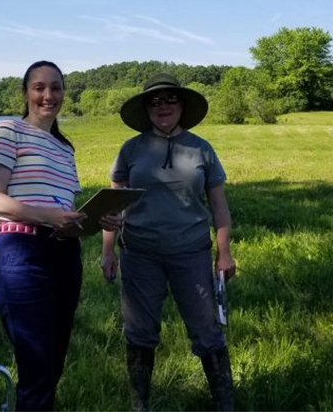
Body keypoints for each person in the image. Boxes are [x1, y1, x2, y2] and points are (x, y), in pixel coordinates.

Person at [0, 60, 117, 412]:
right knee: (37, 360)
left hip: (64, 253)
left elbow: (64, 212)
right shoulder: (7, 130)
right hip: (21, 251)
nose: (48, 95)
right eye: (39, 87)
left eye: (56, 87)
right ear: (25, 93)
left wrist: (96, 219)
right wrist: (47, 216)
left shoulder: (65, 148)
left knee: (53, 360)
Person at [100, 73, 236, 411]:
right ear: (146, 110)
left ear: (182, 105)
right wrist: (107, 250)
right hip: (139, 253)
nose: (163, 106)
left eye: (170, 100)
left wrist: (224, 253)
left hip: (191, 252)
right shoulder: (131, 150)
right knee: (139, 331)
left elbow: (218, 205)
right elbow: (112, 204)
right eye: (155, 101)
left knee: (207, 332)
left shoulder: (201, 148)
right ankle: (139, 404)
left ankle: (225, 404)